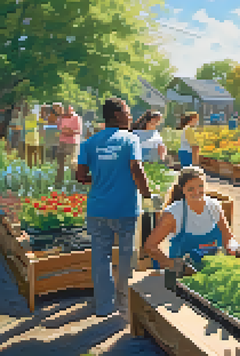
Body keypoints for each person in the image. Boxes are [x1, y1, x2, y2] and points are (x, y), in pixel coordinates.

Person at [76, 97, 153, 318]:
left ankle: (103, 306)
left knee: (100, 258)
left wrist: (100, 178)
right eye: (128, 112)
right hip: (125, 209)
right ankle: (124, 304)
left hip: (98, 209)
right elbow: (137, 169)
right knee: (127, 257)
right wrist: (147, 194)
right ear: (117, 114)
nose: (130, 117)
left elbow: (80, 175)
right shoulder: (129, 140)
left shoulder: (89, 143)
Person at [144, 166, 236, 269]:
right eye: (191, 189)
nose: (197, 192)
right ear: (182, 189)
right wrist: (172, 264)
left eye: (200, 186)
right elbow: (150, 246)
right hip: (183, 276)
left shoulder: (214, 206)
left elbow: (228, 237)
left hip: (213, 269)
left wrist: (234, 247)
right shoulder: (173, 213)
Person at [57, 105, 82, 185]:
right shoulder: (61, 118)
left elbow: (78, 131)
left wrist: (69, 131)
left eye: (68, 109)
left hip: (72, 143)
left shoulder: (76, 118)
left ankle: (73, 182)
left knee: (73, 163)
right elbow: (58, 129)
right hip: (62, 142)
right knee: (60, 163)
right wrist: (64, 131)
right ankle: (59, 182)